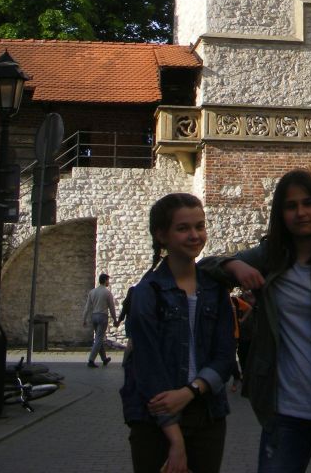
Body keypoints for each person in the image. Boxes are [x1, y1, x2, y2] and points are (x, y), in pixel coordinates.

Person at [202, 169, 311, 473]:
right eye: (291, 206)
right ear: (280, 214)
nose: (301, 212)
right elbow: (205, 266)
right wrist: (235, 266)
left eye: (308, 203)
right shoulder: (270, 258)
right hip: (285, 412)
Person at [120, 193, 236, 473]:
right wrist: (175, 438)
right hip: (155, 419)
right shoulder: (147, 292)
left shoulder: (215, 289)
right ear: (162, 235)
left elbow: (225, 355)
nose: (195, 235)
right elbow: (147, 367)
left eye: (200, 226)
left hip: (206, 413)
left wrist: (191, 391)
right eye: (183, 228)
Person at [83, 272, 117, 367]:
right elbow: (112, 308)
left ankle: (104, 359)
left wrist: (84, 318)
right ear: (105, 280)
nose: (108, 282)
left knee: (99, 337)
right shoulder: (107, 293)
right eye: (108, 280)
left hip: (94, 316)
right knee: (99, 338)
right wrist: (115, 320)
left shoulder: (92, 292)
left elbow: (87, 307)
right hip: (102, 316)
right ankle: (91, 360)